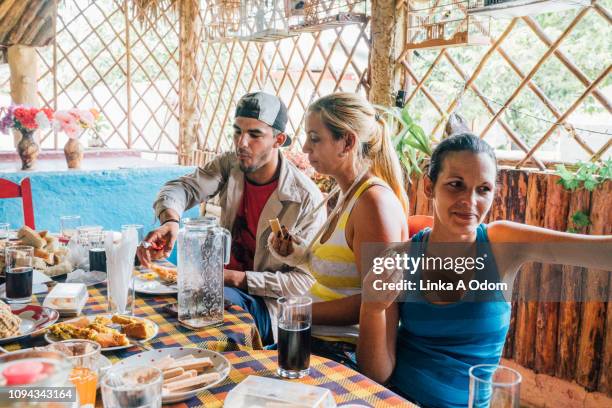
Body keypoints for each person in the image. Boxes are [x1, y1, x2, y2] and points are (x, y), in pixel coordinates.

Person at [358, 133, 612, 407]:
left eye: (483, 189)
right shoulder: (401, 257)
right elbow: (376, 374)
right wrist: (371, 308)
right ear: (429, 187)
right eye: (456, 185)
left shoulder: (502, 244)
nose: (470, 201)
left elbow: (598, 251)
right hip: (399, 400)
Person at [138, 91, 326, 345]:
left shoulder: (304, 199)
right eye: (237, 131)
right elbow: (182, 189)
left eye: (255, 134)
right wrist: (170, 221)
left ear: (278, 140)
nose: (242, 143)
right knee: (153, 313)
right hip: (215, 287)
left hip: (265, 304)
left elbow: (303, 282)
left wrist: (237, 278)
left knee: (198, 321)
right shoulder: (231, 165)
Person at [270, 93, 409, 366]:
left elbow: (379, 299)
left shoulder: (373, 204)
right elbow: (342, 275)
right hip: (314, 339)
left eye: (315, 137)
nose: (306, 147)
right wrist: (299, 255)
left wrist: (299, 309)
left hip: (340, 353)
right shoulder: (344, 193)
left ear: (347, 142)